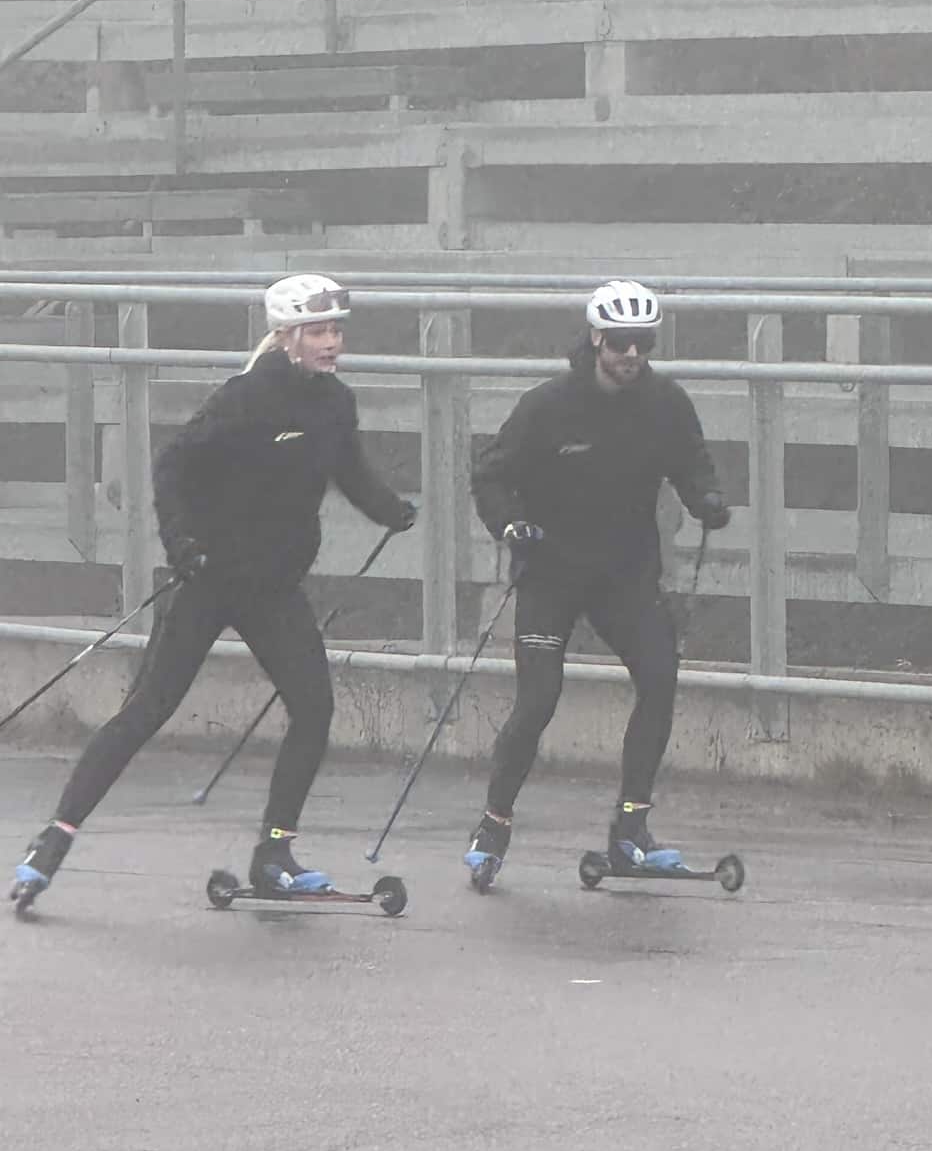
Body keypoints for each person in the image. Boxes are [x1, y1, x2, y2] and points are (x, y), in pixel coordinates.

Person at [11, 273, 416, 905]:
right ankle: (54, 838)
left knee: (314, 707)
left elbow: (348, 470)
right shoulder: (244, 399)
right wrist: (184, 544)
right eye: (317, 331)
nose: (331, 341)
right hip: (210, 579)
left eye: (336, 329)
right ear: (286, 337)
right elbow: (174, 468)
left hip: (273, 589)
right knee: (149, 708)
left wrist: (390, 509)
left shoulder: (335, 403)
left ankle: (275, 852)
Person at [465, 278, 730, 884]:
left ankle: (631, 828)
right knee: (539, 702)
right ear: (595, 338)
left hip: (625, 573)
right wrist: (511, 526)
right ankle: (494, 822)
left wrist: (706, 499)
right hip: (552, 573)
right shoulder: (548, 406)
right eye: (618, 342)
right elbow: (490, 476)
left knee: (660, 678)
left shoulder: (665, 402)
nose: (630, 354)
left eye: (641, 342)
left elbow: (691, 462)